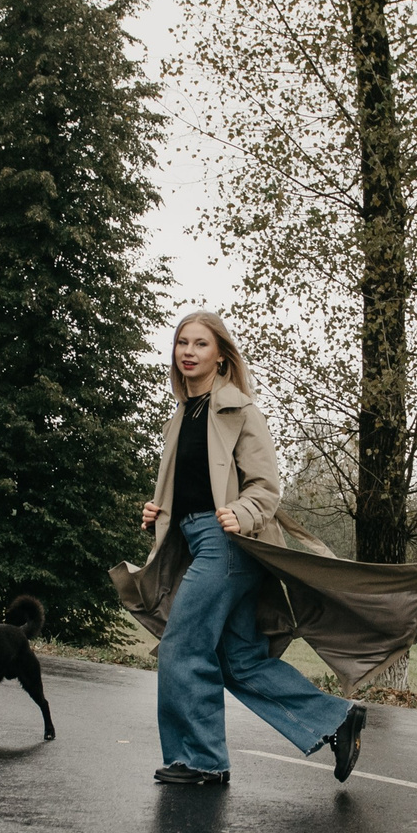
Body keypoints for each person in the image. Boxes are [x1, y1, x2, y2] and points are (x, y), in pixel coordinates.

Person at [134, 312, 365, 787]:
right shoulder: (181, 416)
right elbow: (195, 487)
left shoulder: (241, 410)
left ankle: (200, 760)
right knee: (239, 660)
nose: (189, 352)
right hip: (198, 541)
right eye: (182, 343)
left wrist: (243, 511)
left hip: (231, 546)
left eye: (200, 344)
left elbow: (265, 487)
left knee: (183, 644)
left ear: (221, 355)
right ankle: (336, 719)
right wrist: (160, 510)